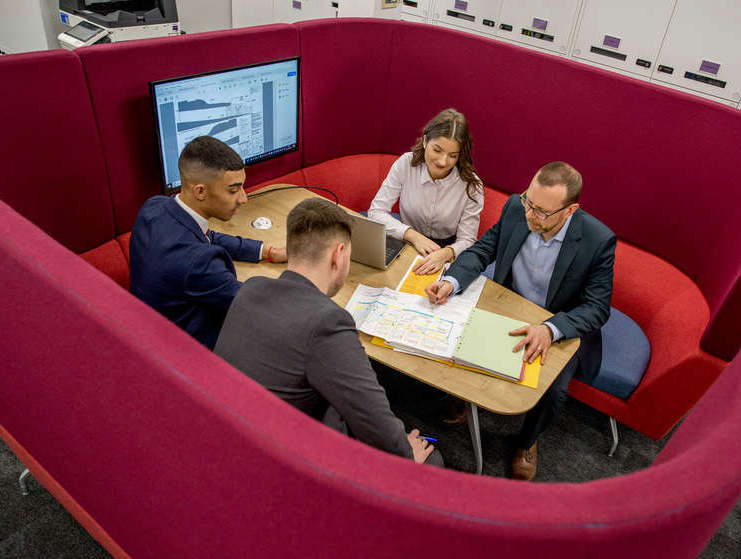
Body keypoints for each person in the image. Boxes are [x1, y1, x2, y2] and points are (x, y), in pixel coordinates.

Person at [425, 162, 615, 481]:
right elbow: (484, 250)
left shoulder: (599, 241)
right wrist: (452, 281)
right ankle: (469, 398)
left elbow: (597, 308)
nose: (530, 214)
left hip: (559, 322)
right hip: (509, 303)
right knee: (461, 333)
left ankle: (527, 441)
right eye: (529, 201)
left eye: (541, 211)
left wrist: (550, 328)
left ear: (569, 211)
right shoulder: (516, 207)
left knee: (553, 393)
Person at [214, 198, 440, 465]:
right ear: (338, 254)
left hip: (229, 434)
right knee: (432, 460)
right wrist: (406, 453)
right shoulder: (328, 323)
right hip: (281, 462)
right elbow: (375, 421)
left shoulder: (252, 287)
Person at [130, 136, 287, 350]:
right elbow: (253, 305)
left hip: (148, 327)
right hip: (192, 351)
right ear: (200, 191)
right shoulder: (198, 264)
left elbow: (206, 235)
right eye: (233, 190)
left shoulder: (154, 207)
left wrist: (267, 251)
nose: (243, 198)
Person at [368, 108, 484, 275]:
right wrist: (413, 236)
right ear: (425, 141)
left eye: (453, 155)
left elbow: (467, 240)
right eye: (437, 150)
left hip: (445, 251)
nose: (443, 161)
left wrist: (447, 253)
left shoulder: (472, 186)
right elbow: (376, 211)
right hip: (406, 239)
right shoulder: (405, 163)